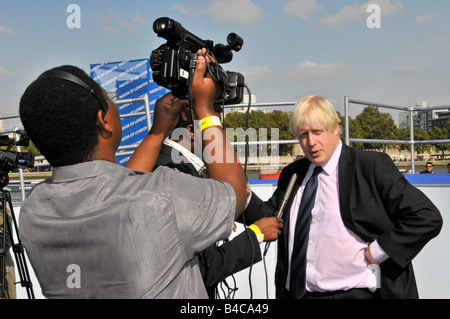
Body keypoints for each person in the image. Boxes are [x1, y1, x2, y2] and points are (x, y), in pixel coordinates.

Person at [18, 49, 248, 298]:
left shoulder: (33, 210)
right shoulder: (164, 196)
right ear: (103, 120)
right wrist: (206, 111)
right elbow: (234, 193)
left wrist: (158, 131)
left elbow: (111, 194)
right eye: (110, 100)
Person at [243, 95, 443, 299]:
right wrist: (246, 196)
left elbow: (426, 216)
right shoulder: (293, 173)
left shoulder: (371, 166)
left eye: (317, 132)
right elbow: (273, 218)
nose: (311, 142)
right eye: (303, 134)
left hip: (356, 294)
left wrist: (378, 251)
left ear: (335, 127)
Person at [130, 107, 283, 298]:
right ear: (192, 131)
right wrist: (256, 234)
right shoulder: (179, 176)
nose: (221, 138)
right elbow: (208, 269)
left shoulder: (165, 163)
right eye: (215, 129)